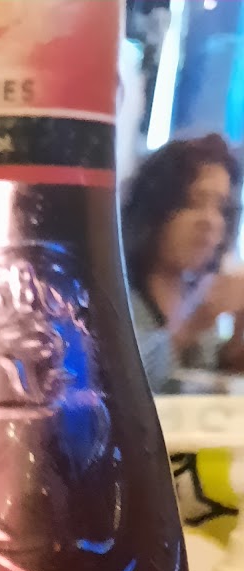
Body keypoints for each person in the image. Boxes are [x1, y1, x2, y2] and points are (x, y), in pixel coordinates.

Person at [121, 132, 244, 391]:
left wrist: (237, 341)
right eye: (194, 203)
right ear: (156, 209)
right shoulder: (117, 294)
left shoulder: (195, 293)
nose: (211, 221)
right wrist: (193, 323)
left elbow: (206, 382)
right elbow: (118, 381)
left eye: (221, 207)